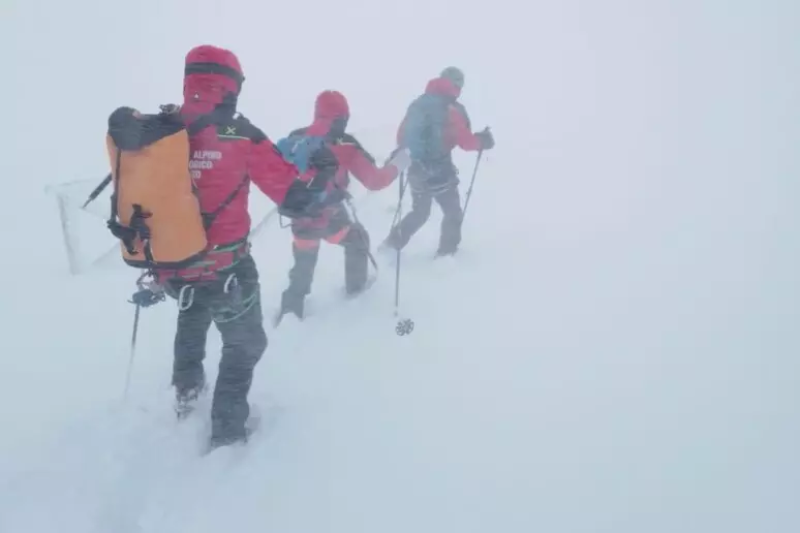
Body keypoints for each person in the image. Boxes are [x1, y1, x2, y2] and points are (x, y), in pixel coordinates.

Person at [156, 45, 298, 449]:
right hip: (226, 268)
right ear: (231, 86)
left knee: (192, 313)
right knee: (246, 343)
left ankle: (186, 392)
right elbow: (292, 195)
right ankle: (228, 430)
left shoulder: (162, 129)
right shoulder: (241, 134)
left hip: (173, 265)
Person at [276, 90, 411, 323]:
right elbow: (374, 181)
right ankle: (356, 294)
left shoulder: (296, 137)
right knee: (357, 240)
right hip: (329, 215)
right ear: (343, 117)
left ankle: (290, 311)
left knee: (303, 265)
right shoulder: (345, 143)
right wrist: (398, 165)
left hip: (300, 217)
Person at [382, 67, 494, 257]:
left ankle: (391, 245)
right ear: (456, 86)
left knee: (420, 212)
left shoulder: (418, 104)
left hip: (415, 167)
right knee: (452, 211)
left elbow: (401, 135)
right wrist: (482, 142)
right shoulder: (450, 108)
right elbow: (465, 142)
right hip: (439, 169)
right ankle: (446, 255)